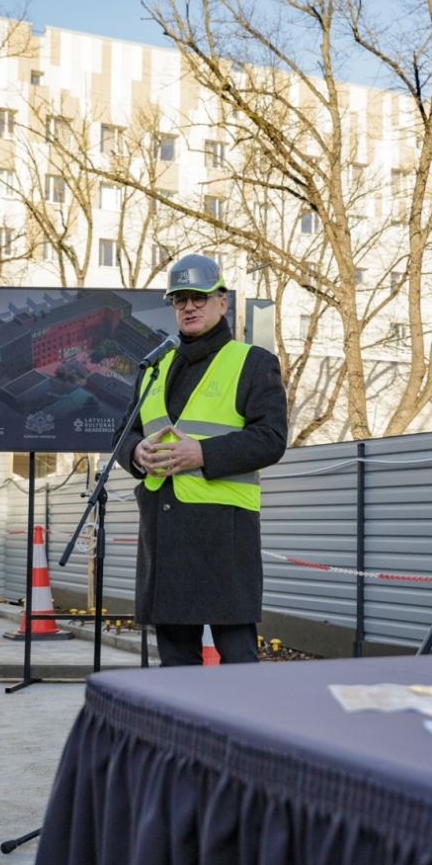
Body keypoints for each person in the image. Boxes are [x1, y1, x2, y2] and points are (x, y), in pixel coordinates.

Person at [119, 254, 288, 665]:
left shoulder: (253, 363)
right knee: (176, 666)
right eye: (180, 300)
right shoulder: (155, 367)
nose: (189, 307)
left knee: (237, 662)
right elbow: (124, 434)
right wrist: (136, 453)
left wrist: (202, 452)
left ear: (222, 302)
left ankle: (244, 731)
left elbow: (271, 439)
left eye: (198, 297)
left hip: (223, 535)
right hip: (164, 531)